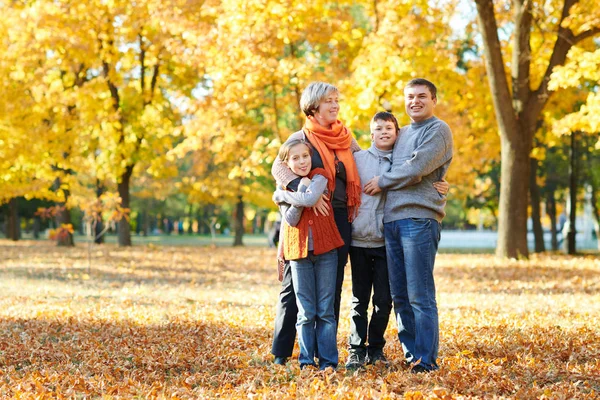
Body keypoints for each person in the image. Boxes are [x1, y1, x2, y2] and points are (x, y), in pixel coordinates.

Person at [346, 111, 449, 370]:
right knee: (362, 299)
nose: (383, 132)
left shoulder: (398, 161)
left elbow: (420, 169)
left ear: (398, 133)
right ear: (371, 134)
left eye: (389, 128)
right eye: (378, 129)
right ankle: (357, 349)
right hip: (359, 239)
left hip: (384, 238)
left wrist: (440, 184)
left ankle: (384, 349)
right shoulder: (358, 159)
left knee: (387, 299)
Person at [270, 82, 361, 365]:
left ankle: (325, 353)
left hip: (339, 217)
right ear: (313, 107)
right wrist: (306, 188)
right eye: (328, 101)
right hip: (306, 216)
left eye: (337, 100)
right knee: (291, 287)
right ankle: (282, 352)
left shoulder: (346, 137)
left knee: (330, 286)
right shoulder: (302, 136)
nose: (335, 105)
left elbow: (367, 160)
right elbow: (278, 167)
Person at [273, 139, 344, 370]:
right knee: (305, 311)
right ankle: (306, 361)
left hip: (326, 252)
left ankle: (328, 362)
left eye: (305, 156)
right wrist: (300, 192)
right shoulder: (288, 185)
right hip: (298, 253)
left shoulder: (320, 176)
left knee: (325, 310)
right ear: (286, 163)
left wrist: (283, 197)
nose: (302, 161)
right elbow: (291, 219)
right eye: (295, 158)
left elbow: (312, 199)